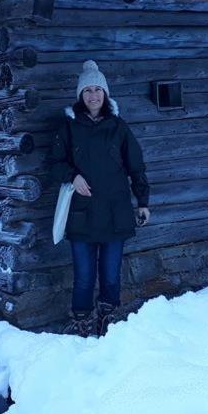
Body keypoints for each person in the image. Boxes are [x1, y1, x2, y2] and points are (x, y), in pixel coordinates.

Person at [48, 60, 150, 337]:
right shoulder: (68, 127)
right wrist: (73, 176)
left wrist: (142, 201)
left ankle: (107, 318)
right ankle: (82, 321)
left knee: (110, 274)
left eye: (98, 90)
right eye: (88, 90)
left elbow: (136, 165)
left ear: (106, 94)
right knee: (83, 276)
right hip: (81, 213)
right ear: (80, 95)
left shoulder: (118, 127)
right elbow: (54, 162)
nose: (93, 95)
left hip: (116, 212)